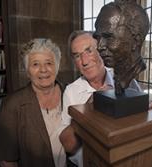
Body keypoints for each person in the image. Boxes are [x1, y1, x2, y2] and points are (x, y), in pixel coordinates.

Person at [59, 30, 141, 167]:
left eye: (89, 51)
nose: (84, 61)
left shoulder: (124, 79)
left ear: (103, 50)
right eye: (77, 56)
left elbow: (143, 125)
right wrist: (87, 109)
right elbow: (68, 146)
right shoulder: (72, 91)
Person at [0, 38, 66, 167]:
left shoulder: (71, 94)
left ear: (57, 66)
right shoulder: (12, 105)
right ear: (27, 71)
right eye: (35, 64)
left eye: (49, 63)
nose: (43, 70)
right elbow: (8, 161)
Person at [94, 0, 149, 95]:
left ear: (136, 41)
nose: (99, 47)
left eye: (109, 37)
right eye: (98, 38)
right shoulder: (116, 75)